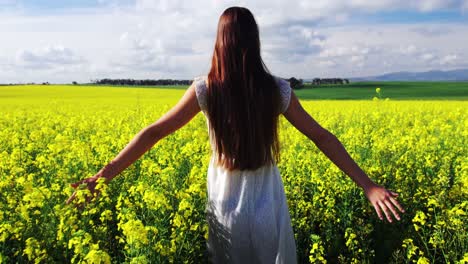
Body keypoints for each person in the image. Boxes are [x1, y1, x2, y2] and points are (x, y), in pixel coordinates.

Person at [66, 6, 405, 263]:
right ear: (254, 42)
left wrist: (103, 176)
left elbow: (153, 133)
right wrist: (368, 185)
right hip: (267, 201)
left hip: (225, 201)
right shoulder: (277, 90)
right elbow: (322, 137)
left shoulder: (206, 89)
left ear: (220, 43)